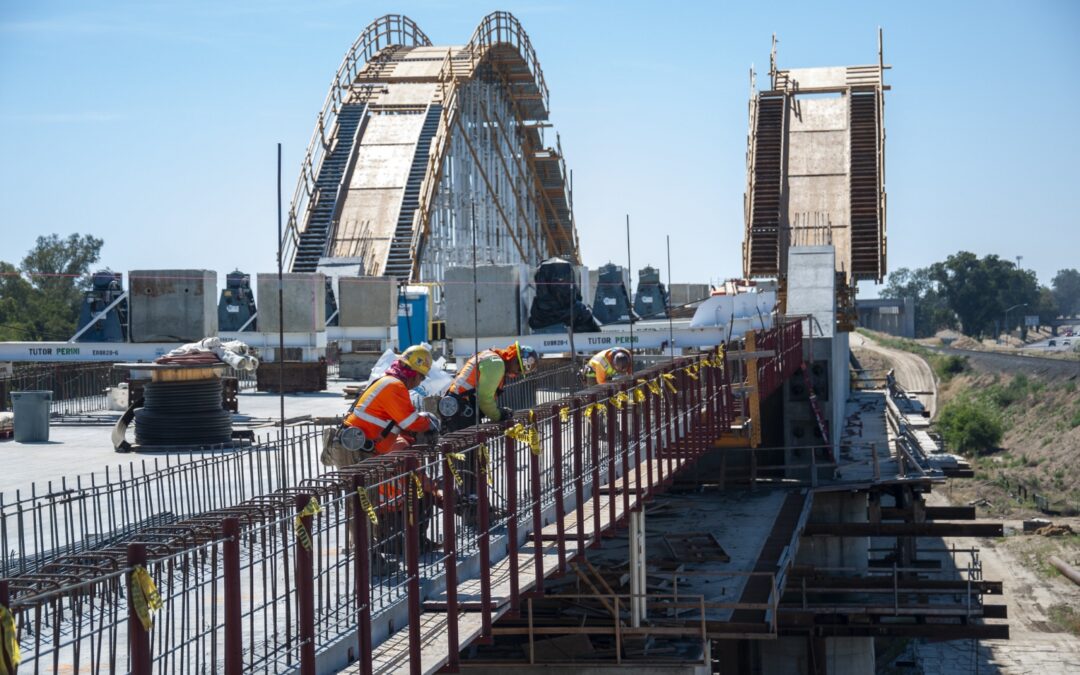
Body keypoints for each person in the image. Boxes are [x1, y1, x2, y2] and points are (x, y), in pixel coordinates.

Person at [322, 345, 440, 468]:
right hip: (355, 449)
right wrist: (430, 423)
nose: (419, 383)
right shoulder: (395, 386)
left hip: (356, 447)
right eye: (422, 377)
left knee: (367, 486)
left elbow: (397, 423)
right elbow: (411, 422)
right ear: (414, 374)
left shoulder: (389, 382)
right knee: (364, 487)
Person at [440, 341, 539, 432]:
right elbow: (484, 399)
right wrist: (499, 415)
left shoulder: (492, 358)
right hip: (460, 411)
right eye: (519, 369)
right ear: (513, 357)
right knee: (470, 450)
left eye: (521, 372)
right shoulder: (496, 364)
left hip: (456, 407)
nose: (517, 374)